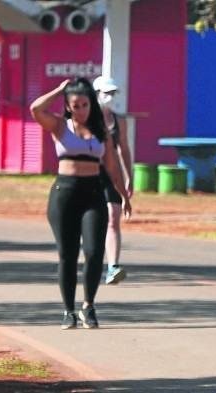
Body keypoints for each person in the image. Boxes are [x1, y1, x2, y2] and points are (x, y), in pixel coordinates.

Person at [30, 77, 131, 329]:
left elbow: (112, 167)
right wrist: (58, 90)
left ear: (91, 104)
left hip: (93, 193)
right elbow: (36, 109)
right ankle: (68, 310)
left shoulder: (101, 131)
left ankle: (88, 306)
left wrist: (123, 195)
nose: (81, 110)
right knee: (68, 254)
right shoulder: (60, 127)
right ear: (68, 106)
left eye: (85, 105)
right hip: (64, 194)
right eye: (75, 106)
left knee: (95, 252)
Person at [92, 76, 134, 285]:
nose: (110, 98)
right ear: (96, 94)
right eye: (106, 93)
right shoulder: (87, 119)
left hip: (110, 173)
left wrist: (129, 177)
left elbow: (123, 149)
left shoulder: (119, 121)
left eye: (112, 94)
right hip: (88, 173)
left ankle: (113, 266)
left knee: (113, 216)